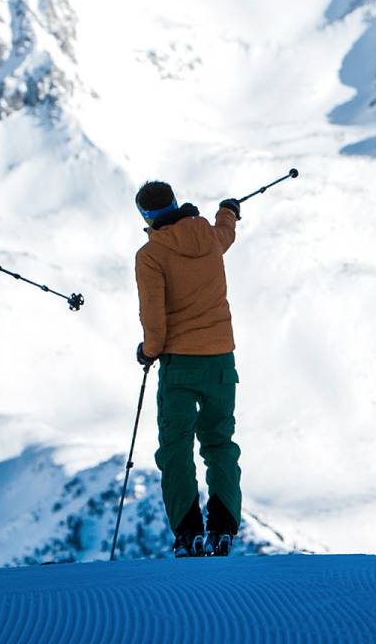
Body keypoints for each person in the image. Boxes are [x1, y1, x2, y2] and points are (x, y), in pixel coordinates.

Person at [133, 180, 245, 557]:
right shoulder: (210, 237)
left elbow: (154, 317)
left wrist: (149, 351)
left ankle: (188, 533)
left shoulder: (150, 255)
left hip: (180, 365)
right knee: (219, 443)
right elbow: (226, 231)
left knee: (176, 449)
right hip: (220, 360)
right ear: (176, 203)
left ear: (146, 217)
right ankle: (224, 528)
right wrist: (228, 210)